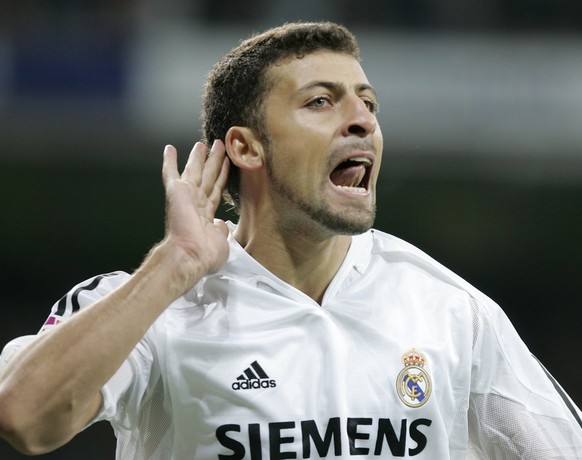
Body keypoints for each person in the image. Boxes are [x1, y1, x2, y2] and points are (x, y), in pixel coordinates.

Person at [0, 22, 580, 460]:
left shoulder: (451, 310)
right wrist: (172, 267)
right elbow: (24, 417)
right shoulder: (155, 308)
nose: (362, 121)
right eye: (321, 101)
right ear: (247, 147)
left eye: (368, 103)